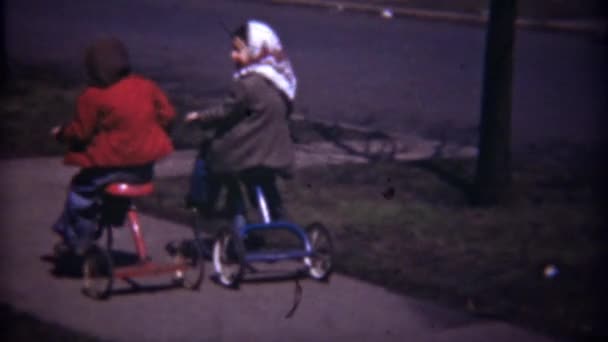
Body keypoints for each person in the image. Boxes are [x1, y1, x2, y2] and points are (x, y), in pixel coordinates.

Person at [51, 37, 176, 253]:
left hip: (108, 168)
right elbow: (168, 115)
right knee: (110, 191)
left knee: (81, 190)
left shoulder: (92, 96)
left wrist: (62, 133)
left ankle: (77, 239)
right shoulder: (145, 86)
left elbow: (81, 132)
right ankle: (108, 218)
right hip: (142, 169)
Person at [185, 19, 297, 222]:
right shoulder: (283, 82)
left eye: (238, 50)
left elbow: (225, 112)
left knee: (209, 154)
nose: (232, 55)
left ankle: (200, 203)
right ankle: (276, 212)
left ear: (256, 51)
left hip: (249, 153)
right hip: (276, 152)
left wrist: (200, 117)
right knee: (258, 175)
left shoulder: (246, 84)